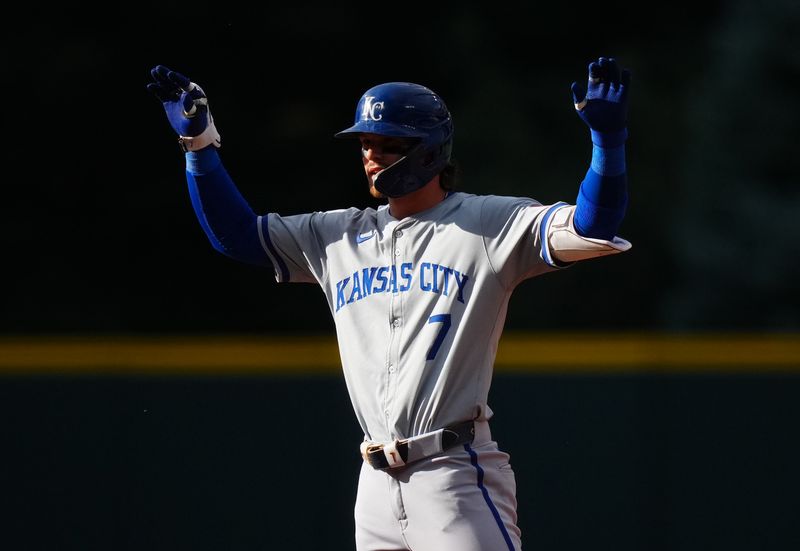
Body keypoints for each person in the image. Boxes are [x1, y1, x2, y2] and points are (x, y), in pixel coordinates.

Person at [147, 57, 632, 551]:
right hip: (375, 487)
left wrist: (607, 144)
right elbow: (237, 237)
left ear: (429, 152)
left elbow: (593, 226)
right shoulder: (336, 235)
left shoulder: (489, 223)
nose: (373, 155)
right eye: (366, 143)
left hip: (453, 474)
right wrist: (199, 146)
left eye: (389, 143)